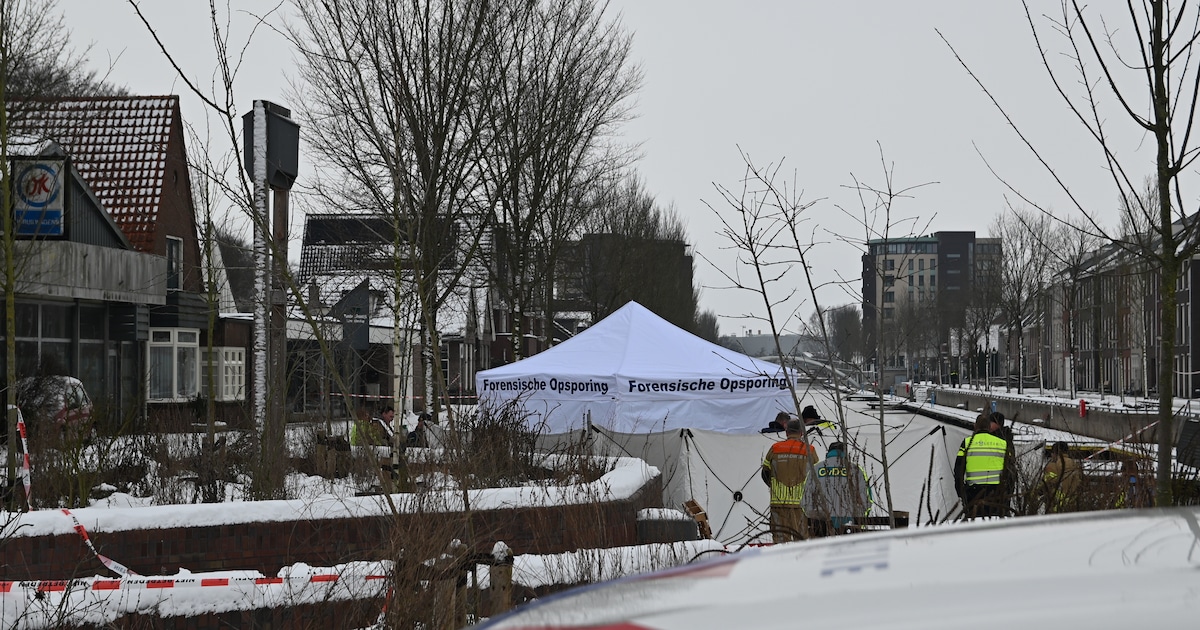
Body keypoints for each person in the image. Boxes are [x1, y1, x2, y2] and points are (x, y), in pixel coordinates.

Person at [761, 419, 819, 542]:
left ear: (786, 432)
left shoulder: (775, 448)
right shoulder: (810, 450)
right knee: (801, 539)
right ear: (801, 433)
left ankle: (781, 561)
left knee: (780, 540)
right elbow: (816, 476)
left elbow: (765, 473)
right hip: (802, 505)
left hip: (778, 503)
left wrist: (774, 486)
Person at [802, 441, 872, 537]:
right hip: (850, 523)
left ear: (828, 453)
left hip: (822, 525)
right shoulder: (856, 470)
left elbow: (806, 499)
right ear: (845, 453)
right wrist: (858, 517)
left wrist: (814, 517)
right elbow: (866, 500)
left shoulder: (816, 469)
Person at [954, 413, 1010, 519]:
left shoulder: (967, 443)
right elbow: (1010, 470)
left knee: (975, 525)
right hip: (997, 492)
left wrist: (961, 492)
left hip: (973, 494)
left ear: (975, 426)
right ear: (989, 427)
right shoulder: (1003, 443)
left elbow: (958, 470)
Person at [1040, 441, 1081, 514]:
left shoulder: (1052, 466)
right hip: (1073, 501)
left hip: (1058, 503)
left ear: (1055, 453)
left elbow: (1047, 484)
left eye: (1052, 453)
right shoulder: (1074, 464)